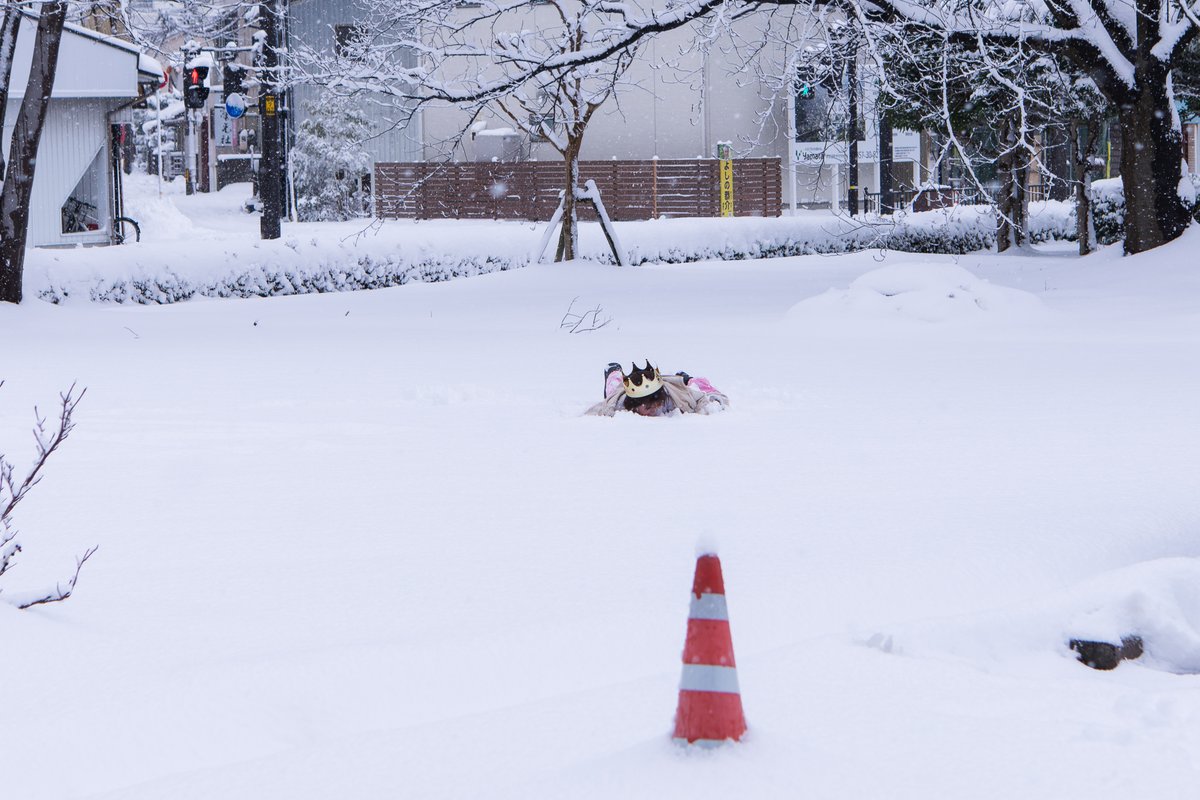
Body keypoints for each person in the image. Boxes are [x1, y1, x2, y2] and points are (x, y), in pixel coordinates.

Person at [585, 361, 729, 417]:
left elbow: (703, 398)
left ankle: (687, 378)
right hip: (628, 388)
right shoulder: (618, 405)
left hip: (668, 385)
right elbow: (596, 413)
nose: (654, 408)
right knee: (614, 389)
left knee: (696, 385)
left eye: (657, 403)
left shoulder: (674, 398)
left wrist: (707, 408)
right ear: (633, 407)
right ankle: (614, 372)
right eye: (647, 408)